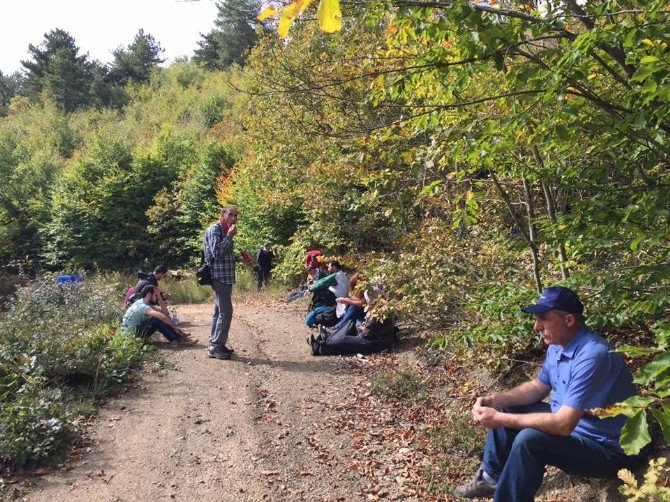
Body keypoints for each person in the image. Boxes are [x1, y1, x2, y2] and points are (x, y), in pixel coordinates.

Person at [454, 286, 649, 501]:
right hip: (577, 432)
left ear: (569, 321)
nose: (537, 326)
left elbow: (563, 424)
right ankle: (490, 479)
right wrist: (494, 402)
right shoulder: (557, 345)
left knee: (530, 440)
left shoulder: (593, 356)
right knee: (507, 405)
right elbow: (538, 387)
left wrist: (500, 419)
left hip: (612, 451)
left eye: (543, 318)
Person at [203, 206, 239, 360]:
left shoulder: (225, 231)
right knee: (226, 312)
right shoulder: (215, 230)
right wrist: (230, 237)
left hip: (226, 276)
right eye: (230, 214)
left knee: (219, 313)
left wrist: (239, 258)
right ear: (223, 215)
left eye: (235, 215)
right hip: (219, 277)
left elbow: (225, 255)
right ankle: (216, 346)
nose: (233, 217)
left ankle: (215, 344)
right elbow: (216, 253)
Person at [121, 285, 194, 344]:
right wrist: (175, 328)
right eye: (156, 295)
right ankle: (178, 339)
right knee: (156, 320)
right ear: (149, 295)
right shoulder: (143, 306)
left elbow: (164, 313)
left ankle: (178, 337)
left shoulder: (141, 302)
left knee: (157, 318)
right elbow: (163, 317)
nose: (157, 298)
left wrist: (159, 297)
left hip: (133, 332)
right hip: (131, 336)